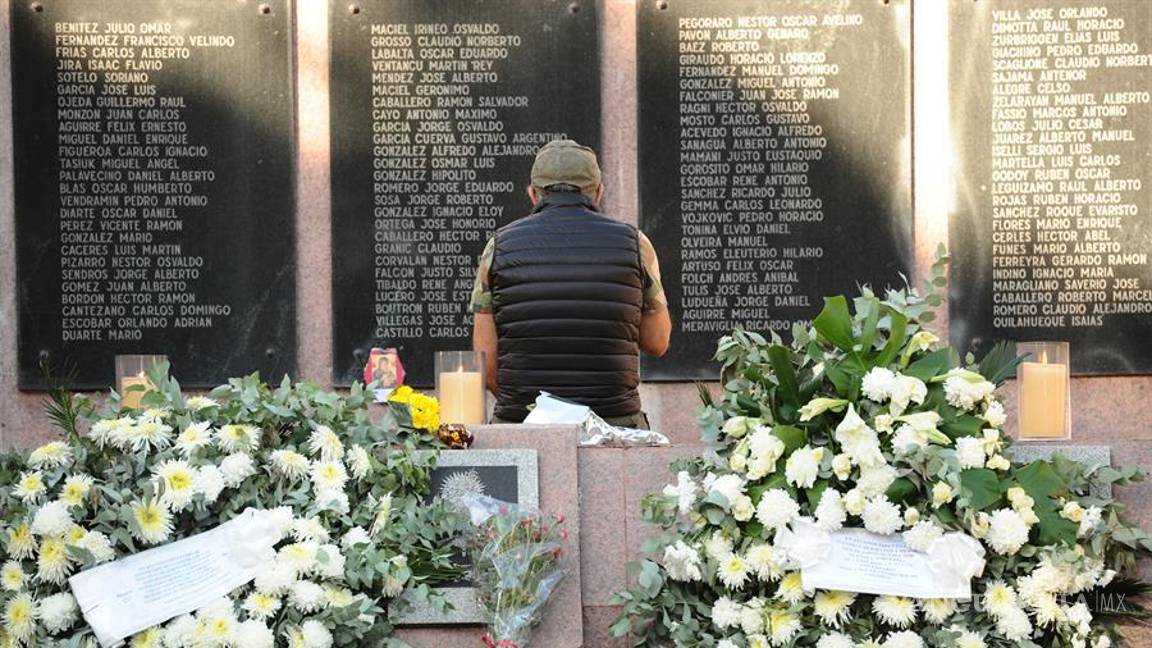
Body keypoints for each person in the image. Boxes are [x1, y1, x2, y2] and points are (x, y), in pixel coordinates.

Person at [469, 139, 671, 429]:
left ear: (533, 194)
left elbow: (486, 360)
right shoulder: (636, 244)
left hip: (523, 423)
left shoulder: (498, 247)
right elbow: (657, 341)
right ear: (599, 192)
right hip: (614, 423)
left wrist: (538, 411)